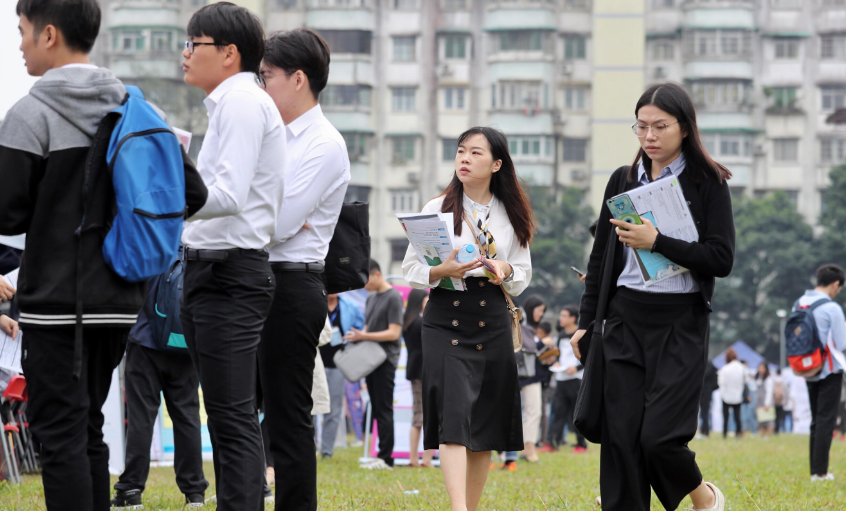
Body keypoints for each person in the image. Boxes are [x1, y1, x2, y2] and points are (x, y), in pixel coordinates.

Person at [0, 2, 206, 509]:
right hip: (120, 301)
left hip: (54, 307)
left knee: (60, 433)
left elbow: (5, 213)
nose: (20, 44)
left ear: (49, 34)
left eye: (22, 32)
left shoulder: (31, 114)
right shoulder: (138, 108)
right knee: (87, 424)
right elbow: (193, 193)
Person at [570, 82, 734, 511]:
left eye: (660, 126)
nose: (650, 136)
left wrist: (656, 240)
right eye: (641, 127)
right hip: (624, 318)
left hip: (679, 322)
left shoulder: (708, 183)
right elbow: (602, 257)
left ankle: (704, 497)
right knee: (620, 440)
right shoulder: (621, 180)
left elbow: (720, 257)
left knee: (659, 437)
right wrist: (587, 322)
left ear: (684, 127)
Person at [179, 4, 286, 510]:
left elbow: (228, 195)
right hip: (212, 268)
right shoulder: (229, 104)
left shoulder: (242, 101)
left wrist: (165, 195)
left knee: (232, 412)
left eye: (192, 44)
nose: (184, 55)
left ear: (228, 53)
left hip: (229, 272)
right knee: (223, 413)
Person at [402, 126, 534, 511]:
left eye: (475, 153)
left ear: (496, 164)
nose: (464, 158)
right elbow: (411, 270)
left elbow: (523, 272)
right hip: (446, 315)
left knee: (486, 424)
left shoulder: (513, 214)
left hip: (492, 315)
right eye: (461, 151)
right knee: (453, 416)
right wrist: (444, 270)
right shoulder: (435, 208)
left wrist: (505, 269)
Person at [255, 28, 349, 510]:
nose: (260, 86)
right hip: (251, 276)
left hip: (292, 286)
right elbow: (265, 214)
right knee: (236, 411)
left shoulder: (323, 143)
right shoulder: (270, 135)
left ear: (297, 79)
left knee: (288, 414)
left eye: (265, 75)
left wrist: (262, 212)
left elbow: (281, 221)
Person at [111, 275, 208, 509]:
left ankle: (132, 489)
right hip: (183, 341)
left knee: (141, 418)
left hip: (145, 340)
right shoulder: (193, 241)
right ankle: (194, 492)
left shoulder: (150, 239)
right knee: (187, 417)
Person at [345, 260, 404, 470]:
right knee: (376, 408)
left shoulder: (394, 297)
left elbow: (394, 332)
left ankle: (386, 459)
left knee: (384, 409)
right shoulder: (370, 299)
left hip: (385, 360)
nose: (364, 284)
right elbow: (368, 328)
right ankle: (380, 454)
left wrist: (365, 335)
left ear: (377, 274)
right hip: (369, 359)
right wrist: (358, 337)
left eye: (366, 279)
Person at [793, 264, 846, 482]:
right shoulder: (832, 308)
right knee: (826, 420)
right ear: (835, 284)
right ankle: (821, 473)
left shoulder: (799, 303)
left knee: (816, 419)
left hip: (807, 367)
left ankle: (815, 470)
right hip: (829, 369)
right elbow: (841, 343)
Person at [317, 293, 364, 460]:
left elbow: (361, 327)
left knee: (333, 409)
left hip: (339, 364)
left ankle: (327, 451)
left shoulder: (349, 305)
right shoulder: (317, 302)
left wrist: (354, 338)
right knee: (309, 407)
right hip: (315, 364)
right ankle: (307, 448)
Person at [549, 305, 587, 452]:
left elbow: (588, 357)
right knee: (558, 411)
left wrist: (576, 368)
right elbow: (558, 355)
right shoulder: (560, 336)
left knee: (576, 413)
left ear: (572, 318)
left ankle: (580, 444)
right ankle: (554, 443)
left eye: (564, 316)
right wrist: (556, 362)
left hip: (576, 379)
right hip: (561, 378)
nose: (561, 319)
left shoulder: (581, 335)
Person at [403, 289, 434, 468]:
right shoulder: (423, 323)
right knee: (428, 416)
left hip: (414, 370)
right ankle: (426, 460)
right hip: (426, 371)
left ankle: (414, 458)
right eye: (426, 299)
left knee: (418, 414)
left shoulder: (408, 322)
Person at [517, 295, 545, 463]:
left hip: (533, 374)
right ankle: (526, 450)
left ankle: (529, 449)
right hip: (522, 372)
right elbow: (529, 348)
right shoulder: (523, 327)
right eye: (539, 310)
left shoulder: (535, 328)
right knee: (531, 412)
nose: (541, 314)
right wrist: (543, 343)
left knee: (534, 412)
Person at [534, 320, 557, 452]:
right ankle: (538, 439)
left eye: (540, 333)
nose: (539, 335)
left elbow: (548, 361)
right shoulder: (541, 343)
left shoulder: (549, 343)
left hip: (545, 381)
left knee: (543, 412)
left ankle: (542, 440)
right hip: (539, 380)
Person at [718, 348, 745, 439]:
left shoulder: (724, 368)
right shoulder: (742, 368)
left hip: (726, 396)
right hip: (738, 396)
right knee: (737, 417)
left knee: (726, 418)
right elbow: (745, 381)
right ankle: (738, 434)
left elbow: (721, 383)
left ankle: (725, 435)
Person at [755, 363, 775, 439]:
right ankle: (762, 435)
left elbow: (769, 392)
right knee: (761, 420)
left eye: (762, 368)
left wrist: (767, 403)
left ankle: (768, 436)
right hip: (759, 402)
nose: (760, 369)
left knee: (768, 419)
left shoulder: (768, 379)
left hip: (766, 402)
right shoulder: (758, 378)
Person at [699, 361, 719, 438]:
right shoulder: (712, 366)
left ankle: (705, 432)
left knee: (704, 413)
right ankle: (704, 431)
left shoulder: (705, 366)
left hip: (704, 393)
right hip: (708, 393)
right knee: (705, 413)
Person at [772, 369, 787, 435]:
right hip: (781, 401)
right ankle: (779, 429)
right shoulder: (783, 381)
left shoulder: (773, 380)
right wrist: (786, 401)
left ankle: (775, 429)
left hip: (774, 401)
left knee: (774, 417)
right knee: (780, 416)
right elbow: (786, 392)